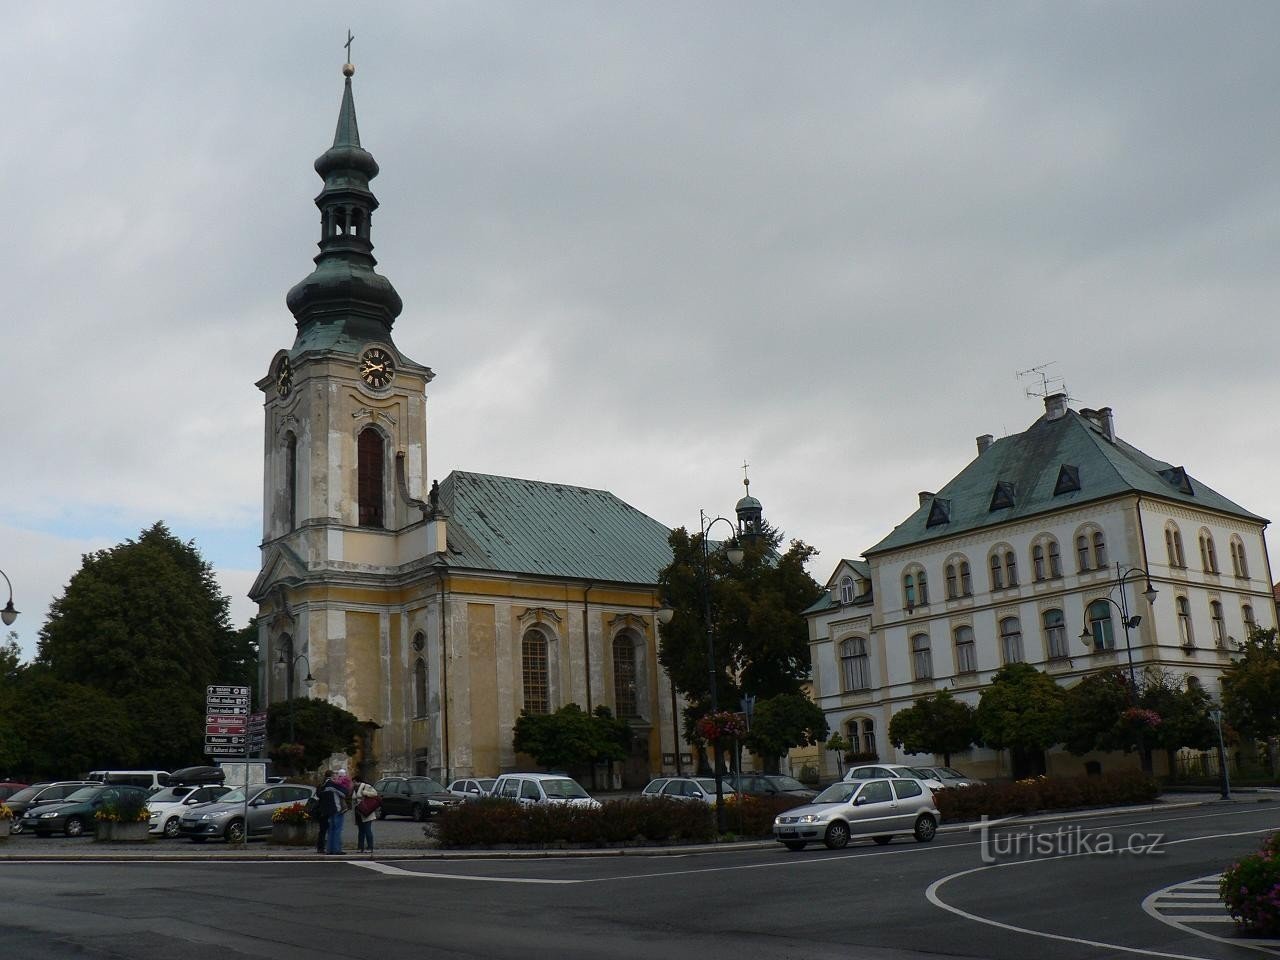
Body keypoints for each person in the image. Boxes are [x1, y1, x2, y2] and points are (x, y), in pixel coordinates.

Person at [320, 770, 350, 854]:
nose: (337, 776)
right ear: (332, 776)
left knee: (331, 829)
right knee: (337, 829)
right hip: (337, 808)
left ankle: (330, 849)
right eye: (336, 774)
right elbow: (345, 792)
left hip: (329, 809)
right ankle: (336, 849)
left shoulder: (324, 784)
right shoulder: (332, 784)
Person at [351, 774, 380, 854]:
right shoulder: (354, 789)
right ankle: (360, 847)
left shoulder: (366, 786)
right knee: (361, 831)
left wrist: (365, 793)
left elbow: (375, 793)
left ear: (357, 781)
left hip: (367, 811)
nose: (353, 784)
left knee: (367, 830)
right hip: (358, 812)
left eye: (354, 782)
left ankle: (370, 847)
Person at [314, 769, 334, 854]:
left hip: (320, 810)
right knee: (329, 829)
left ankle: (320, 847)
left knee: (322, 830)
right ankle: (327, 846)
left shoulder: (321, 784)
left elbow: (318, 795)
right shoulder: (329, 784)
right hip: (327, 810)